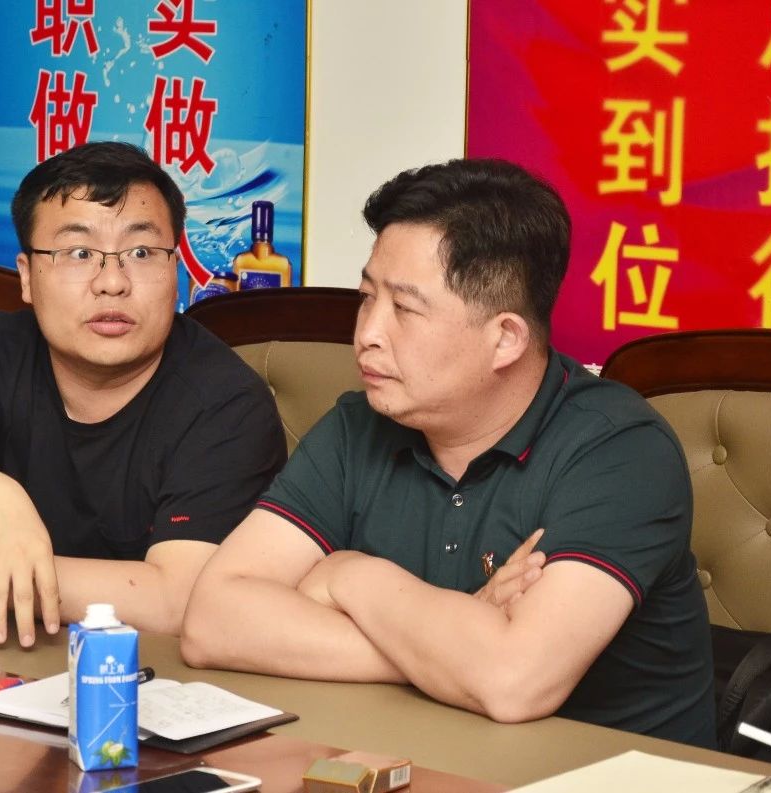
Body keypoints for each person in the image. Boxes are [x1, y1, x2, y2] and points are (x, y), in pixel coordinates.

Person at [180, 159, 715, 747]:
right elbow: (212, 620)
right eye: (367, 297)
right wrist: (455, 639)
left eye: (404, 309)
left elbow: (513, 682)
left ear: (505, 338)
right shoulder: (360, 425)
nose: (367, 333)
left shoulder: (619, 450)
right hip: (419, 762)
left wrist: (349, 575)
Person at [0, 142, 287, 646]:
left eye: (141, 252)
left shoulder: (228, 403)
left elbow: (178, 600)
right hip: (27, 657)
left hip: (152, 673)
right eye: (79, 253)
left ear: (175, 272)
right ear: (27, 277)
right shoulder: (9, 345)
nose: (112, 282)